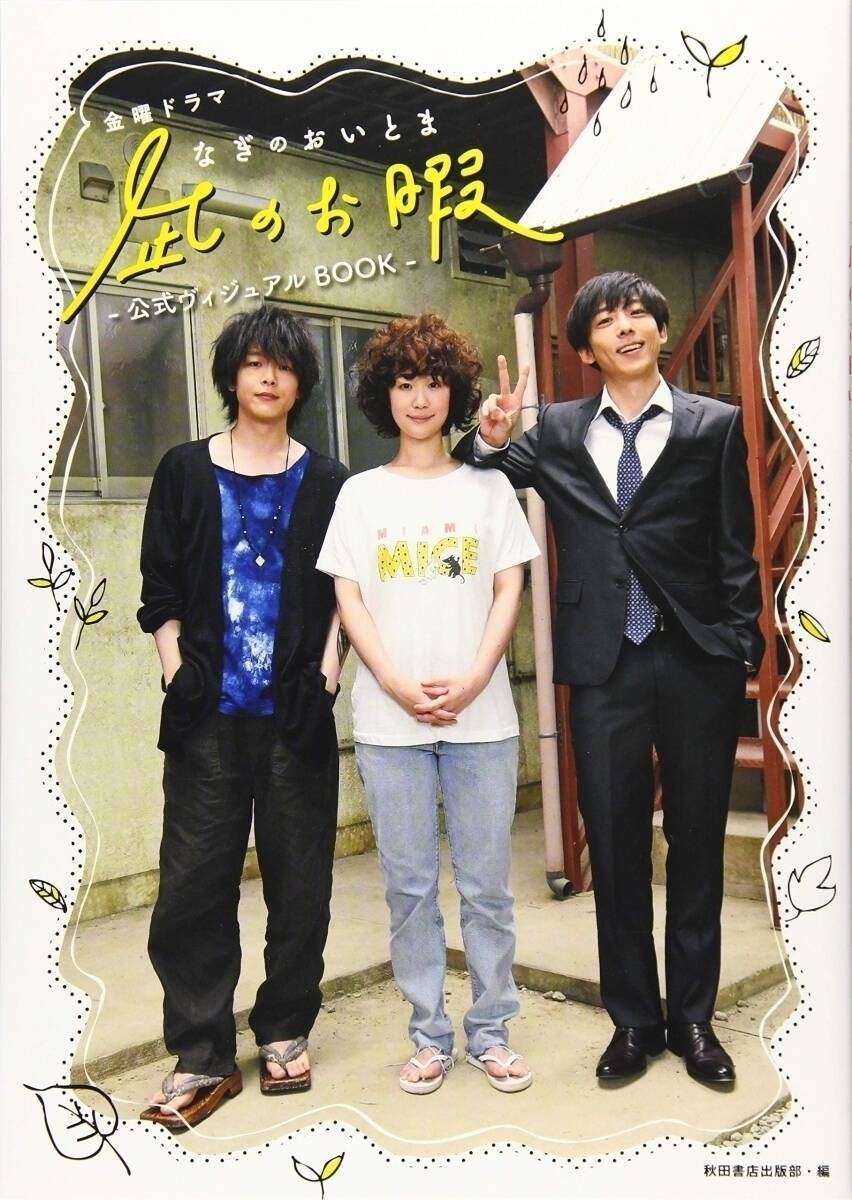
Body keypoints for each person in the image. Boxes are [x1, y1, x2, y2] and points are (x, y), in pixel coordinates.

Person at [454, 271, 763, 1085]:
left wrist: (740, 648)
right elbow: (475, 466)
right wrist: (489, 434)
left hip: (695, 658)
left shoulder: (713, 424)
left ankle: (693, 1020)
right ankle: (633, 1022)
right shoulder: (557, 429)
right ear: (587, 348)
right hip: (602, 663)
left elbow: (735, 547)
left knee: (695, 844)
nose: (625, 327)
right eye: (606, 319)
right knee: (617, 849)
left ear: (660, 330)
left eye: (638, 314)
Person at [136, 305, 348, 1129]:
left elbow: (344, 590)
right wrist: (177, 671)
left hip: (296, 714)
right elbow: (159, 588)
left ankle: (286, 1025)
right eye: (254, 362)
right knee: (193, 884)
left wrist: (328, 668)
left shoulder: (327, 480)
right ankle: (200, 1051)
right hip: (206, 716)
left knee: (301, 884)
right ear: (232, 374)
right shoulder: (184, 470)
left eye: (283, 365)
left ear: (301, 382)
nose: (268, 376)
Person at [317, 313, 539, 1094]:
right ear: (385, 395)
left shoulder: (489, 485)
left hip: (483, 721)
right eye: (405, 383)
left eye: (435, 382)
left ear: (456, 394)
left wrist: (478, 674)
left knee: (487, 888)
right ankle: (429, 1035)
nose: (420, 398)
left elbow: (510, 584)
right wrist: (394, 682)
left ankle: (491, 1031)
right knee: (409, 890)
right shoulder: (360, 494)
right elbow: (349, 598)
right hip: (389, 724)